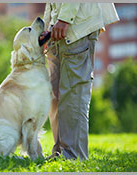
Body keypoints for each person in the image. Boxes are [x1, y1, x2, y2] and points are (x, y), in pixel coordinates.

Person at [42, 3, 119, 160]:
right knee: (54, 96)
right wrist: (46, 24)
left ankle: (74, 156)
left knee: (73, 95)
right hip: (56, 29)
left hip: (76, 25)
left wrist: (65, 18)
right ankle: (59, 153)